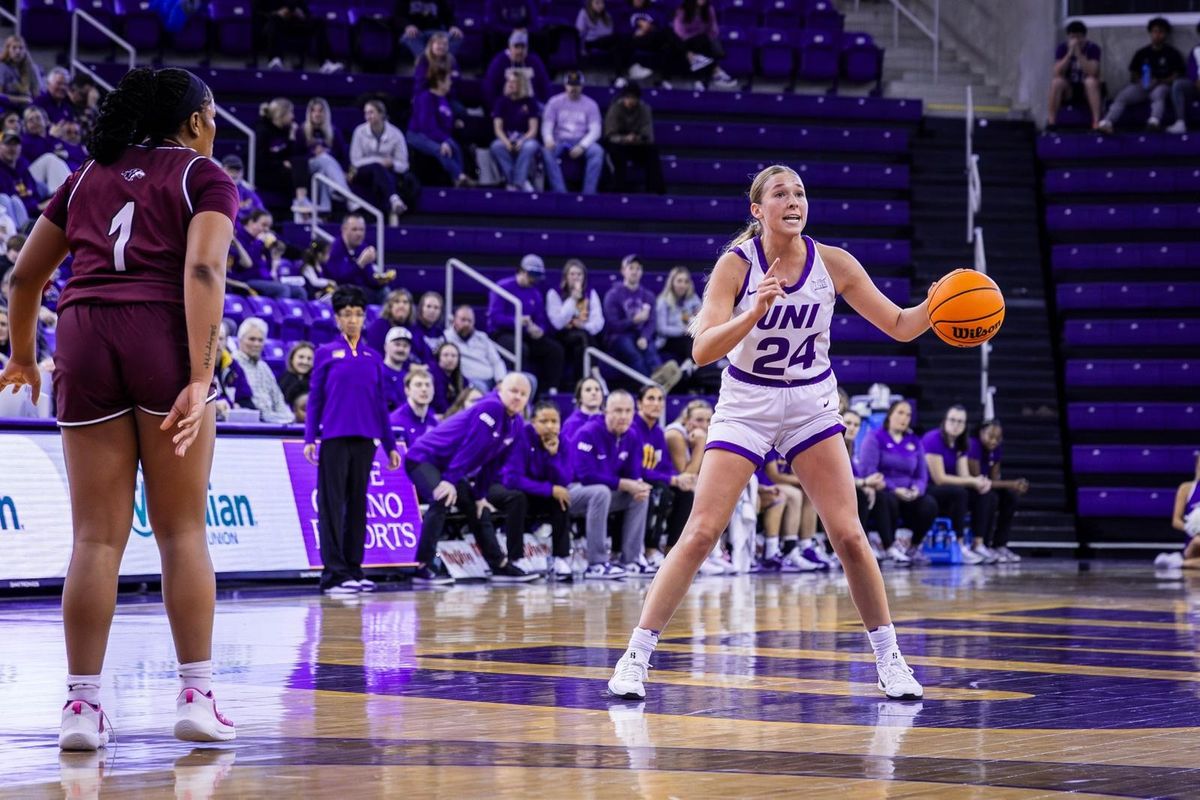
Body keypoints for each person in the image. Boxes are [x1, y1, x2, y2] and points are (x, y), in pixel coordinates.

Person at [607, 164, 942, 704]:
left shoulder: (834, 263)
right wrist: (755, 311)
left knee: (850, 536)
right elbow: (702, 351)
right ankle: (635, 657)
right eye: (780, 194)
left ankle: (890, 660)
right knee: (700, 532)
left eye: (801, 192)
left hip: (811, 401)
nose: (794, 200)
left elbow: (900, 325)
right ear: (757, 211)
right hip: (747, 402)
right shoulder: (734, 267)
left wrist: (938, 307)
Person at [0, 67, 239, 749]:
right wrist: (199, 375)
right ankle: (195, 695)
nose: (216, 126)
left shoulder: (84, 176)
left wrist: (22, 352)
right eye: (214, 114)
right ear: (194, 120)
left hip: (84, 334)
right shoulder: (203, 175)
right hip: (162, 332)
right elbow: (201, 271)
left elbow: (24, 276)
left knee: (95, 540)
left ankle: (81, 708)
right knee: (182, 530)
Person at [302, 285, 400, 595]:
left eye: (358, 314)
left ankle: (354, 569)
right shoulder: (325, 353)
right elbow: (315, 398)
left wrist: (390, 445)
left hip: (365, 439)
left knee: (358, 505)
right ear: (336, 318)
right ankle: (333, 575)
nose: (353, 320)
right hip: (333, 437)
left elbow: (380, 403)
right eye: (347, 314)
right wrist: (310, 437)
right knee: (333, 506)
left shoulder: (373, 357)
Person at [406, 373, 533, 584]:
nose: (517, 397)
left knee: (478, 507)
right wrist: (448, 480)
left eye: (523, 394)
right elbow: (471, 448)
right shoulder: (490, 408)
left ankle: (498, 565)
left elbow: (494, 462)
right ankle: (423, 566)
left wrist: (480, 494)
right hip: (423, 458)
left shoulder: (517, 424)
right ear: (501, 390)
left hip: (449, 467)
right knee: (442, 498)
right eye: (513, 391)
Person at [573, 390, 654, 577]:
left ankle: (631, 559)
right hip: (573, 492)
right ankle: (597, 563)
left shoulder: (632, 435)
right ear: (605, 411)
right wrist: (625, 484)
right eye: (618, 410)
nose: (623, 416)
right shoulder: (588, 432)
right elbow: (585, 476)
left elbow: (634, 475)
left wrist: (637, 485)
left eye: (628, 411)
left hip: (606, 494)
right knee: (600, 492)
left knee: (639, 494)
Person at [494, 400, 575, 579]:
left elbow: (565, 480)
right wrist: (549, 489)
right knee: (518, 498)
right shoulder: (522, 437)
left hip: (534, 492)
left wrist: (553, 457)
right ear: (533, 422)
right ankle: (515, 558)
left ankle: (561, 557)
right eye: (544, 421)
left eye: (554, 422)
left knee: (561, 498)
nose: (550, 426)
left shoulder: (564, 442)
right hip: (500, 487)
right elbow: (513, 479)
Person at [859, 400, 938, 565]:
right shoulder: (875, 436)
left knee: (929, 504)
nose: (905, 418)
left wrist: (917, 489)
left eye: (908, 414)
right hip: (886, 491)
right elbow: (870, 471)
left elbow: (922, 475)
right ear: (890, 415)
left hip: (909, 493)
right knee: (885, 499)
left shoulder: (914, 441)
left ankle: (914, 547)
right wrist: (894, 489)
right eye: (900, 413)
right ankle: (889, 547)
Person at [921, 404, 994, 565]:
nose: (956, 425)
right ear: (944, 421)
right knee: (960, 493)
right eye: (952, 420)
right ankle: (960, 544)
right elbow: (939, 478)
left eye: (960, 422)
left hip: (951, 491)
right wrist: (973, 481)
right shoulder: (932, 439)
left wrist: (979, 482)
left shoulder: (962, 443)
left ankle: (979, 543)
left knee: (984, 493)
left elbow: (964, 476)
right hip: (929, 489)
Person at [635, 384, 696, 565]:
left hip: (657, 481)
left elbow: (666, 466)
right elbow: (637, 469)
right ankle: (650, 549)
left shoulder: (658, 432)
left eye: (660, 399)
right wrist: (672, 479)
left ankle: (672, 549)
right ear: (639, 403)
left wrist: (679, 479)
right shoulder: (633, 429)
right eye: (651, 399)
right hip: (638, 481)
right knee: (662, 492)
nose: (657, 404)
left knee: (686, 494)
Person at [489, 253, 565, 396]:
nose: (533, 280)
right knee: (520, 349)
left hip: (525, 334)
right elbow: (495, 317)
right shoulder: (502, 287)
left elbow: (541, 320)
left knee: (555, 349)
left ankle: (549, 390)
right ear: (522, 271)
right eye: (531, 276)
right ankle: (519, 388)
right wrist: (515, 321)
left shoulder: (535, 293)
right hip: (502, 333)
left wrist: (539, 330)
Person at [603, 253, 680, 388]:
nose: (635, 271)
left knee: (650, 349)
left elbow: (651, 322)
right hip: (619, 336)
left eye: (638, 268)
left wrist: (644, 336)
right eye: (631, 267)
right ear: (623, 271)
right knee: (633, 353)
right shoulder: (613, 295)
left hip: (639, 334)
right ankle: (650, 387)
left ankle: (658, 377)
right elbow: (613, 325)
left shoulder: (648, 295)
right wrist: (633, 321)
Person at [1097, 17, 1186, 132]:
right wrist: (1143, 81)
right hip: (1143, 85)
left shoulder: (1172, 53)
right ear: (1150, 33)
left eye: (1161, 32)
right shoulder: (1142, 53)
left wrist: (1159, 81)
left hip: (1162, 85)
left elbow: (1177, 75)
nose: (1158, 35)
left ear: (1166, 34)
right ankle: (1107, 122)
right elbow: (1133, 73)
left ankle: (1154, 122)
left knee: (1158, 94)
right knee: (1123, 96)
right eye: (1155, 31)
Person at [968, 419, 1028, 564]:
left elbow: (994, 480)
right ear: (981, 433)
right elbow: (978, 480)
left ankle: (999, 545)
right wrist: (1012, 483)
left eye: (998, 438)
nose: (994, 441)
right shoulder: (973, 445)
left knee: (1010, 497)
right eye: (990, 436)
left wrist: (1012, 487)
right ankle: (983, 544)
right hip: (971, 487)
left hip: (988, 487)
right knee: (989, 497)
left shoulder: (996, 449)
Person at [349, 100, 417, 223]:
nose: (368, 116)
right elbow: (355, 161)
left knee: (382, 176)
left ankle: (384, 217)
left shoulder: (396, 134)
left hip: (388, 172)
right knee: (377, 167)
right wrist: (379, 161)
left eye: (371, 112)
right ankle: (394, 200)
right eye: (366, 113)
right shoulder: (359, 132)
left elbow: (403, 164)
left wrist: (392, 164)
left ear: (381, 114)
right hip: (363, 173)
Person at [409, 68, 473, 188]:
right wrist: (442, 141)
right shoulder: (425, 98)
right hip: (418, 134)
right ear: (439, 82)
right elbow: (426, 125)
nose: (451, 83)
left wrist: (454, 122)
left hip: (436, 134)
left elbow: (443, 118)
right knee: (441, 149)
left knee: (455, 147)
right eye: (448, 80)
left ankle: (458, 179)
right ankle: (459, 177)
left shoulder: (443, 99)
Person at [541, 72, 604, 195]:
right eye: (570, 85)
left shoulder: (591, 105)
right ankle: (560, 192)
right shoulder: (554, 102)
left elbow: (596, 131)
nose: (573, 88)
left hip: (581, 140)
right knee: (546, 151)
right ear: (565, 85)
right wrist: (548, 139)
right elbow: (547, 124)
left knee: (597, 151)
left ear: (582, 86)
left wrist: (582, 146)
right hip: (559, 140)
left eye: (576, 85)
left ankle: (588, 193)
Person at [547, 258, 604, 386]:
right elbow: (558, 322)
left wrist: (583, 325)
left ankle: (581, 383)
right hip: (562, 335)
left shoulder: (590, 293)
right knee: (584, 338)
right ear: (566, 276)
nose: (576, 278)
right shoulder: (554, 293)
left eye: (579, 274)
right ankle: (594, 374)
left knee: (583, 341)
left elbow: (598, 322)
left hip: (585, 334)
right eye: (572, 274)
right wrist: (572, 299)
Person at [661, 398, 709, 552]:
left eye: (709, 420)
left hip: (676, 483)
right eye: (699, 420)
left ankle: (712, 551)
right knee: (691, 494)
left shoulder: (702, 434)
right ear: (687, 420)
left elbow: (703, 473)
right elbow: (688, 474)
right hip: (665, 482)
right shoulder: (675, 434)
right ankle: (675, 550)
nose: (705, 425)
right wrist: (701, 444)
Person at [254, 98, 312, 219]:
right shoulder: (262, 131)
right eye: (290, 113)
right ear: (281, 114)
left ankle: (301, 200)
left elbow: (293, 155)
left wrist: (292, 137)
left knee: (301, 164)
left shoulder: (287, 130)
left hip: (282, 171)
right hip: (266, 173)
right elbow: (260, 160)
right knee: (296, 173)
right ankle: (300, 201)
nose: (293, 116)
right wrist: (281, 164)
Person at [228, 210, 306, 299]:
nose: (266, 229)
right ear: (251, 222)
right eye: (264, 225)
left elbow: (269, 265)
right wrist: (259, 242)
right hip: (247, 279)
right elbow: (247, 265)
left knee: (299, 291)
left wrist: (273, 253)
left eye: (268, 226)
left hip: (263, 279)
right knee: (282, 290)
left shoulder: (261, 241)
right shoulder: (239, 237)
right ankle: (278, 313)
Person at [603, 84, 665, 194]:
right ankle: (618, 190)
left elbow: (649, 136)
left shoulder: (645, 109)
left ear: (638, 99)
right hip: (619, 144)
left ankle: (654, 191)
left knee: (652, 151)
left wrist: (636, 138)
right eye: (627, 97)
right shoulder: (615, 109)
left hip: (637, 144)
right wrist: (624, 139)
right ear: (623, 98)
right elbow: (610, 135)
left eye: (633, 98)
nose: (630, 101)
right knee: (615, 153)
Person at [232, 317, 295, 424]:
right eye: (252, 339)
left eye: (260, 340)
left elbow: (278, 399)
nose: (256, 344)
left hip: (272, 422)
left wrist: (288, 419)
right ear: (240, 340)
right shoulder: (232, 363)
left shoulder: (264, 367)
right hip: (247, 424)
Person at [299, 97, 351, 217]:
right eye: (314, 111)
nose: (317, 114)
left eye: (320, 111)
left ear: (326, 113)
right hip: (308, 167)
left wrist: (344, 171)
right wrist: (313, 154)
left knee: (324, 169)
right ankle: (344, 193)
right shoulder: (301, 131)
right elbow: (297, 156)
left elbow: (343, 156)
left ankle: (324, 207)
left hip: (327, 170)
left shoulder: (334, 131)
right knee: (324, 158)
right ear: (309, 113)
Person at [489, 71, 541, 192]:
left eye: (514, 82)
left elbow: (533, 130)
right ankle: (513, 180)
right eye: (509, 81)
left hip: (525, 138)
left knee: (529, 147)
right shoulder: (501, 102)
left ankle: (517, 183)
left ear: (522, 84)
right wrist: (506, 142)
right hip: (507, 138)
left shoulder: (530, 102)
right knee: (496, 146)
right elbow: (498, 129)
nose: (510, 84)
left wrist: (522, 141)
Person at [324, 212, 393, 302]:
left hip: (363, 292)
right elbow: (339, 279)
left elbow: (370, 279)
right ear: (344, 230)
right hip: (342, 293)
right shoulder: (334, 249)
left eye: (362, 230)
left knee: (385, 292)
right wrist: (360, 263)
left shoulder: (363, 247)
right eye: (354, 229)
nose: (359, 233)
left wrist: (381, 281)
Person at [1048, 20, 1102, 129]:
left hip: (1087, 89)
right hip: (1069, 88)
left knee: (1090, 81)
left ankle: (1096, 121)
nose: (1076, 41)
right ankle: (1051, 121)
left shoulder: (1093, 48)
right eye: (1072, 37)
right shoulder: (1062, 48)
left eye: (1079, 37)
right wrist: (1069, 55)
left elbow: (1093, 71)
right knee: (1056, 82)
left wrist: (1078, 54)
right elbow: (1056, 72)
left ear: (1084, 37)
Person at [671, 0, 736, 89]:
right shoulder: (682, 9)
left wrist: (710, 38)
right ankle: (716, 72)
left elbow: (713, 28)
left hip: (702, 41)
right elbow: (679, 31)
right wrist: (693, 38)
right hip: (684, 42)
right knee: (700, 42)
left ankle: (700, 81)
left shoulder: (709, 9)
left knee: (703, 44)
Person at [482, 30, 552, 110]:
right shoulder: (499, 61)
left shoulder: (534, 61)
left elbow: (545, 86)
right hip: (506, 108)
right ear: (509, 46)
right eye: (516, 47)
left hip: (532, 108)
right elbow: (489, 89)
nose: (520, 51)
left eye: (523, 47)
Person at [444, 304, 508, 390]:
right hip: (471, 380)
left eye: (469, 321)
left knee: (529, 379)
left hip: (493, 378)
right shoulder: (446, 338)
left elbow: (496, 362)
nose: (466, 324)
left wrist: (501, 381)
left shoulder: (482, 337)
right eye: (463, 320)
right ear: (454, 320)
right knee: (478, 387)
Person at [1158, 455, 1200, 569]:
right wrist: (1190, 528)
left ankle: (1179, 563)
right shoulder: (1186, 488)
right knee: (1197, 541)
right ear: (1197, 465)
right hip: (1194, 543)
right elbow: (1176, 521)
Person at [655, 266, 700, 365]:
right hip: (667, 340)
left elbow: (700, 316)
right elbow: (662, 329)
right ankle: (691, 366)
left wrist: (697, 316)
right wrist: (683, 330)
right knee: (689, 341)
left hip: (687, 337)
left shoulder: (693, 298)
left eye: (686, 281)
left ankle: (690, 366)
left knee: (696, 339)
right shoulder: (663, 301)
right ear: (672, 283)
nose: (683, 285)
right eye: (679, 281)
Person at [214, 321, 256, 420]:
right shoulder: (197, 367)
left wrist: (232, 406)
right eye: (213, 338)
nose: (217, 343)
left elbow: (247, 402)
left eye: (220, 339)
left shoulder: (234, 366)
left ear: (226, 341)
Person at [390, 365, 439, 446]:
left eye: (428, 385)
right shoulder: (395, 422)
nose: (424, 389)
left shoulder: (434, 423)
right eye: (418, 385)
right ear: (407, 390)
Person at [1167, 21, 1200, 134]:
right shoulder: (1196, 51)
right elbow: (1191, 70)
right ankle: (1180, 122)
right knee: (1178, 84)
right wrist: (1195, 80)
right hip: (1197, 86)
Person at [365, 288, 418, 355]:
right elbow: (374, 354)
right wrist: (407, 365)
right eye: (397, 302)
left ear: (410, 308)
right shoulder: (379, 326)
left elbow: (424, 355)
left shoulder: (414, 328)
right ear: (389, 307)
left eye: (405, 302)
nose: (401, 305)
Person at [262, 0, 311, 71]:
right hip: (277, 22)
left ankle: (327, 62)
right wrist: (277, 13)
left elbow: (305, 12)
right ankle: (275, 60)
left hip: (296, 23)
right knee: (275, 21)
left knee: (319, 24)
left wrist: (297, 12)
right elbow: (262, 9)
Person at [381, 325, 418, 409]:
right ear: (385, 346)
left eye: (405, 346)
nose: (401, 349)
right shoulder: (377, 373)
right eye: (397, 344)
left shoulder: (408, 376)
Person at [220, 155, 265, 223]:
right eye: (230, 170)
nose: (234, 174)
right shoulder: (213, 189)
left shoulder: (248, 193)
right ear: (221, 170)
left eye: (237, 170)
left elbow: (262, 215)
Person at [0, 35, 42, 107]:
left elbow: (37, 93)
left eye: (21, 48)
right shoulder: (2, 67)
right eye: (14, 48)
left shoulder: (32, 68)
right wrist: (21, 99)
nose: (18, 51)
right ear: (8, 50)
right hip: (6, 106)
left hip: (27, 106)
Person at [563, 375, 604, 443]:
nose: (594, 393)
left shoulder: (608, 421)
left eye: (597, 389)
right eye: (588, 390)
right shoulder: (571, 424)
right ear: (579, 397)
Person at [430, 341, 463, 415]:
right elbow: (440, 404)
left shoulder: (461, 378)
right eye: (445, 355)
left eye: (454, 356)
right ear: (438, 358)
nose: (450, 359)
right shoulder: (433, 375)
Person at [277, 340, 314, 406]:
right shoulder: (285, 380)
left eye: (309, 359)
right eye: (301, 357)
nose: (305, 362)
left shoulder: (314, 381)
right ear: (292, 359)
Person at [413, 290, 446, 356]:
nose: (432, 311)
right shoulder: (412, 331)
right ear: (421, 308)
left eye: (436, 307)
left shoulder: (440, 333)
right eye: (428, 306)